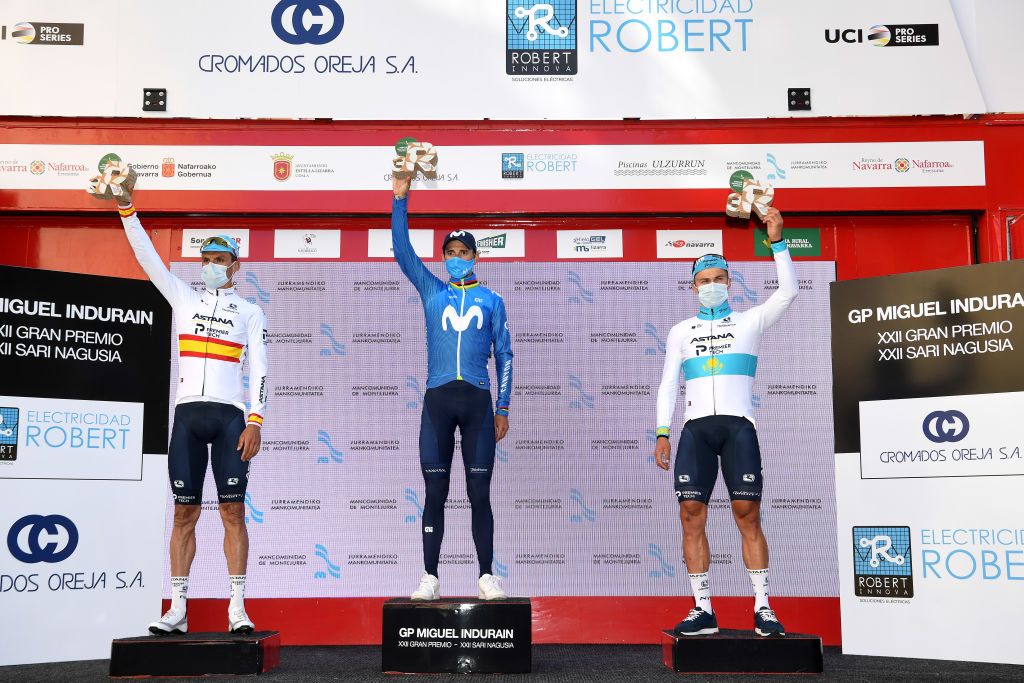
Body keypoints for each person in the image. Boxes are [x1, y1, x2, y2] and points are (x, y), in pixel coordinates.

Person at [113, 188, 268, 635]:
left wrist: (255, 419)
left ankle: (236, 607)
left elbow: (260, 367)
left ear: (235, 265)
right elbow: (146, 257)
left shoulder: (250, 311)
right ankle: (178, 607)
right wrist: (127, 207)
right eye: (207, 258)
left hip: (229, 420)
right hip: (186, 418)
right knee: (184, 514)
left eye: (220, 259)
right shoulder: (183, 297)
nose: (211, 266)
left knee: (233, 512)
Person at [654, 207, 796, 637]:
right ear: (693, 287)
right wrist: (662, 432)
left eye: (718, 278)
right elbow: (666, 384)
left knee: (747, 513)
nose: (711, 286)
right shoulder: (681, 331)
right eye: (703, 280)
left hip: (738, 427)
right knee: (690, 514)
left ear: (729, 283)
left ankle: (763, 607)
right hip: (695, 429)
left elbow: (788, 292)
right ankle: (703, 609)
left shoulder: (750, 320)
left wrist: (778, 241)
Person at [391, 174, 513, 601]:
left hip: (478, 402)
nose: (457, 258)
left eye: (464, 252)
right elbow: (402, 251)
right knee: (435, 491)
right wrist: (400, 198)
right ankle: (429, 577)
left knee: (479, 491)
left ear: (476, 257)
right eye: (451, 253)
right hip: (437, 402)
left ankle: (486, 576)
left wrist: (504, 407)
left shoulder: (492, 300)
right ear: (443, 257)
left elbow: (506, 356)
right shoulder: (432, 290)